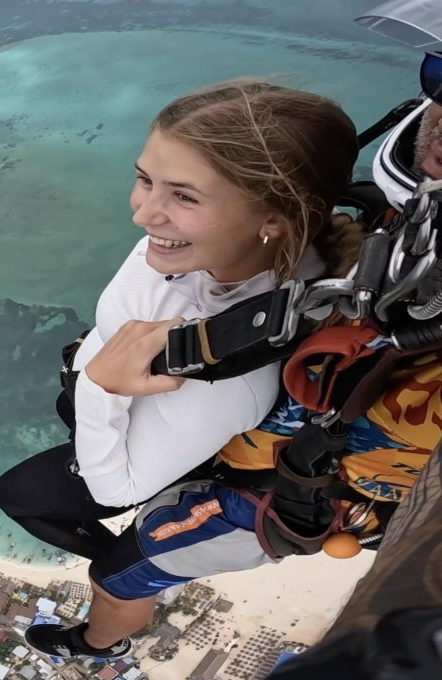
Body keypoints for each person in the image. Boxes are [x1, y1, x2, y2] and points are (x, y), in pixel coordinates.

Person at [24, 52, 442, 665]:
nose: (143, 214)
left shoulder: (376, 234)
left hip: (281, 496)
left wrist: (97, 383)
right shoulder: (392, 221)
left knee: (118, 575)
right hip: (249, 444)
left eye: (181, 195)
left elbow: (119, 484)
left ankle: (101, 644)